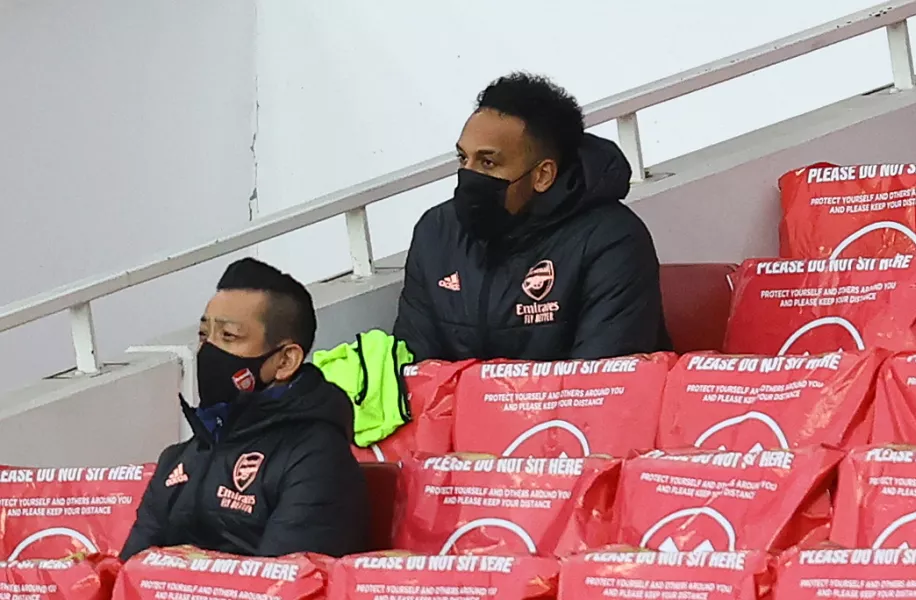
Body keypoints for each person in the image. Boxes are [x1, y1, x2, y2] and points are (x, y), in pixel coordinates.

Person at [394, 72, 672, 361]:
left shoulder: (612, 240)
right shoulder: (436, 232)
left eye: (488, 162)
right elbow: (414, 370)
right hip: (454, 407)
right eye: (464, 159)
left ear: (543, 175)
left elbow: (600, 385)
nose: (470, 175)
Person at [121, 258, 367, 560]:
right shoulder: (180, 457)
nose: (208, 350)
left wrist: (198, 569)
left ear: (286, 360)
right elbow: (129, 572)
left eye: (229, 336)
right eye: (203, 335)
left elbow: (289, 584)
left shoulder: (316, 457)